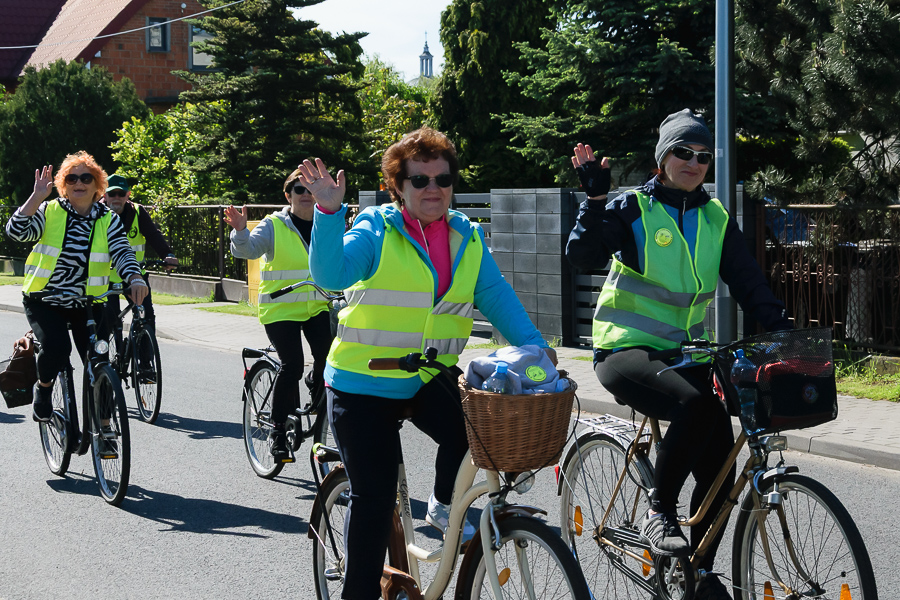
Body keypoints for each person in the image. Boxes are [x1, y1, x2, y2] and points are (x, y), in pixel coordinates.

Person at [300, 127, 558, 600]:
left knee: (478, 429)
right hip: (362, 384)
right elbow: (331, 273)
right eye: (419, 180)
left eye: (442, 178)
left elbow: (497, 298)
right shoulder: (377, 229)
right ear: (398, 186)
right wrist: (329, 212)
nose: (433, 188)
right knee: (374, 504)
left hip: (426, 376)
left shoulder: (467, 238)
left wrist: (539, 352)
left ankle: (443, 507)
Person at [567, 109, 792, 600]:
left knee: (720, 466)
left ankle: (697, 574)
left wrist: (782, 329)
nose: (693, 162)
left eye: (702, 156)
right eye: (682, 152)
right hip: (624, 349)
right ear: (662, 159)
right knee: (698, 405)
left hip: (683, 354)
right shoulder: (634, 209)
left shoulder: (715, 219)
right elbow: (583, 258)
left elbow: (749, 281)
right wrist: (595, 200)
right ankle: (658, 510)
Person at [4, 152, 148, 443]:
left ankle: (105, 425)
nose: (78, 183)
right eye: (71, 178)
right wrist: (35, 197)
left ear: (98, 185)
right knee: (57, 348)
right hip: (44, 300)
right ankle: (44, 389)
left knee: (100, 358)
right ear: (63, 185)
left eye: (86, 178)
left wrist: (134, 277)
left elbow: (122, 251)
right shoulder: (50, 210)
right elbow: (15, 232)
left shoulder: (108, 219)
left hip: (88, 304)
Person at [224, 168, 334, 463]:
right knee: (292, 364)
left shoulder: (327, 223)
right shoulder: (274, 225)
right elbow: (247, 250)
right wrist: (240, 230)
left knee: (331, 357)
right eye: (299, 190)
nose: (306, 195)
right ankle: (276, 431)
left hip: (317, 306)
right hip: (280, 308)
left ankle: (317, 382)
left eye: (311, 189)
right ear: (288, 196)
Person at [100, 173, 179, 356]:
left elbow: (153, 235)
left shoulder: (137, 212)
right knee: (108, 319)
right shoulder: (97, 214)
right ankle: (106, 367)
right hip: (105, 279)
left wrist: (167, 255)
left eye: (121, 194)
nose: (117, 198)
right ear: (104, 196)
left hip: (136, 276)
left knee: (146, 316)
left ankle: (145, 364)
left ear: (128, 195)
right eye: (112, 194)